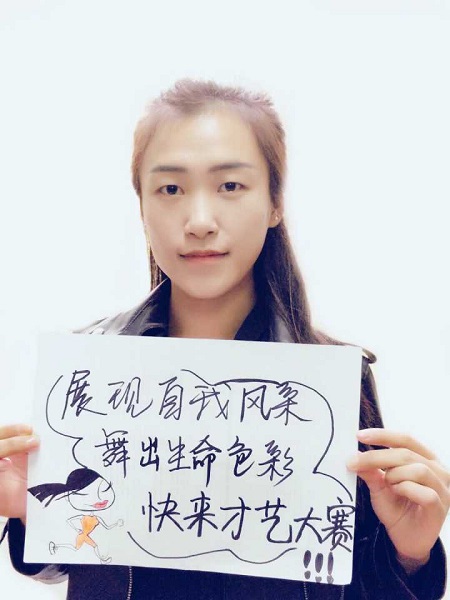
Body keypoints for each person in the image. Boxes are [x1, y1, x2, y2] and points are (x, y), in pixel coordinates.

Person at [0, 79, 448, 599]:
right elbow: (75, 560)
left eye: (230, 186)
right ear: (142, 207)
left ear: (275, 203)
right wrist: (34, 514)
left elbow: (355, 582)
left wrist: (409, 553)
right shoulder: (91, 371)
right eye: (170, 189)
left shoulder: (334, 382)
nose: (199, 221)